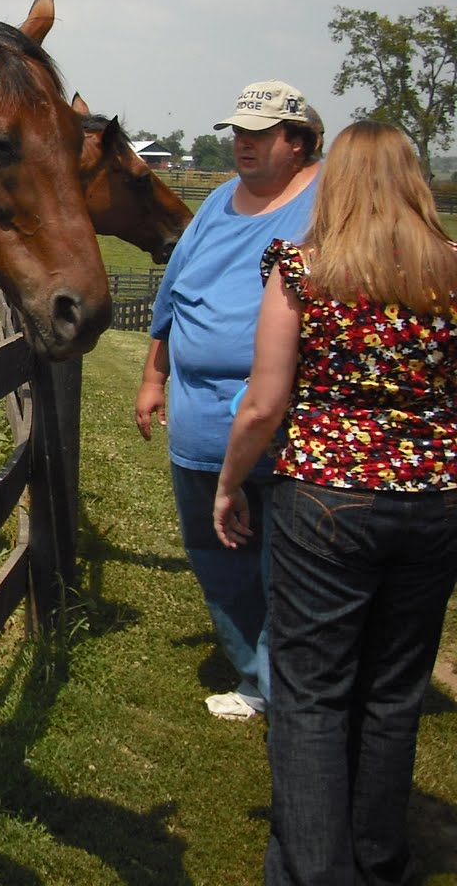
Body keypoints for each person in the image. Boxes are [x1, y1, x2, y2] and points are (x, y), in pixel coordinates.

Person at [213, 121, 457, 885]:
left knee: (313, 693)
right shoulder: (450, 272)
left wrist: (228, 484)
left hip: (326, 494)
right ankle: (379, 857)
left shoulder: (303, 270)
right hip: (437, 498)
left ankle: (315, 869)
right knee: (393, 689)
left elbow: (263, 403)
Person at [135, 81, 323, 720]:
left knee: (285, 559)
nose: (241, 143)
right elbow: (172, 296)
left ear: (297, 142)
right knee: (215, 552)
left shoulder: (324, 207)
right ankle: (255, 672)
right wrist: (153, 376)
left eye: (259, 133)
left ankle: (286, 684)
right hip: (198, 420)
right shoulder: (218, 202)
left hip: (282, 425)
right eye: (238, 132)